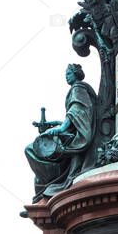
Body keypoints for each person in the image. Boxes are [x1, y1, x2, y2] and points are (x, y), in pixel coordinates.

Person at [25, 64, 96, 200]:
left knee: (30, 149)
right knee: (37, 148)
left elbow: (76, 110)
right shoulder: (77, 89)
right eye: (66, 74)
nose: (66, 76)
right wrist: (56, 124)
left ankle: (49, 184)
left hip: (75, 139)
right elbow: (73, 116)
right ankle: (47, 187)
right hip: (72, 134)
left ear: (76, 74)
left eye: (68, 73)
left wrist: (61, 128)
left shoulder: (78, 88)